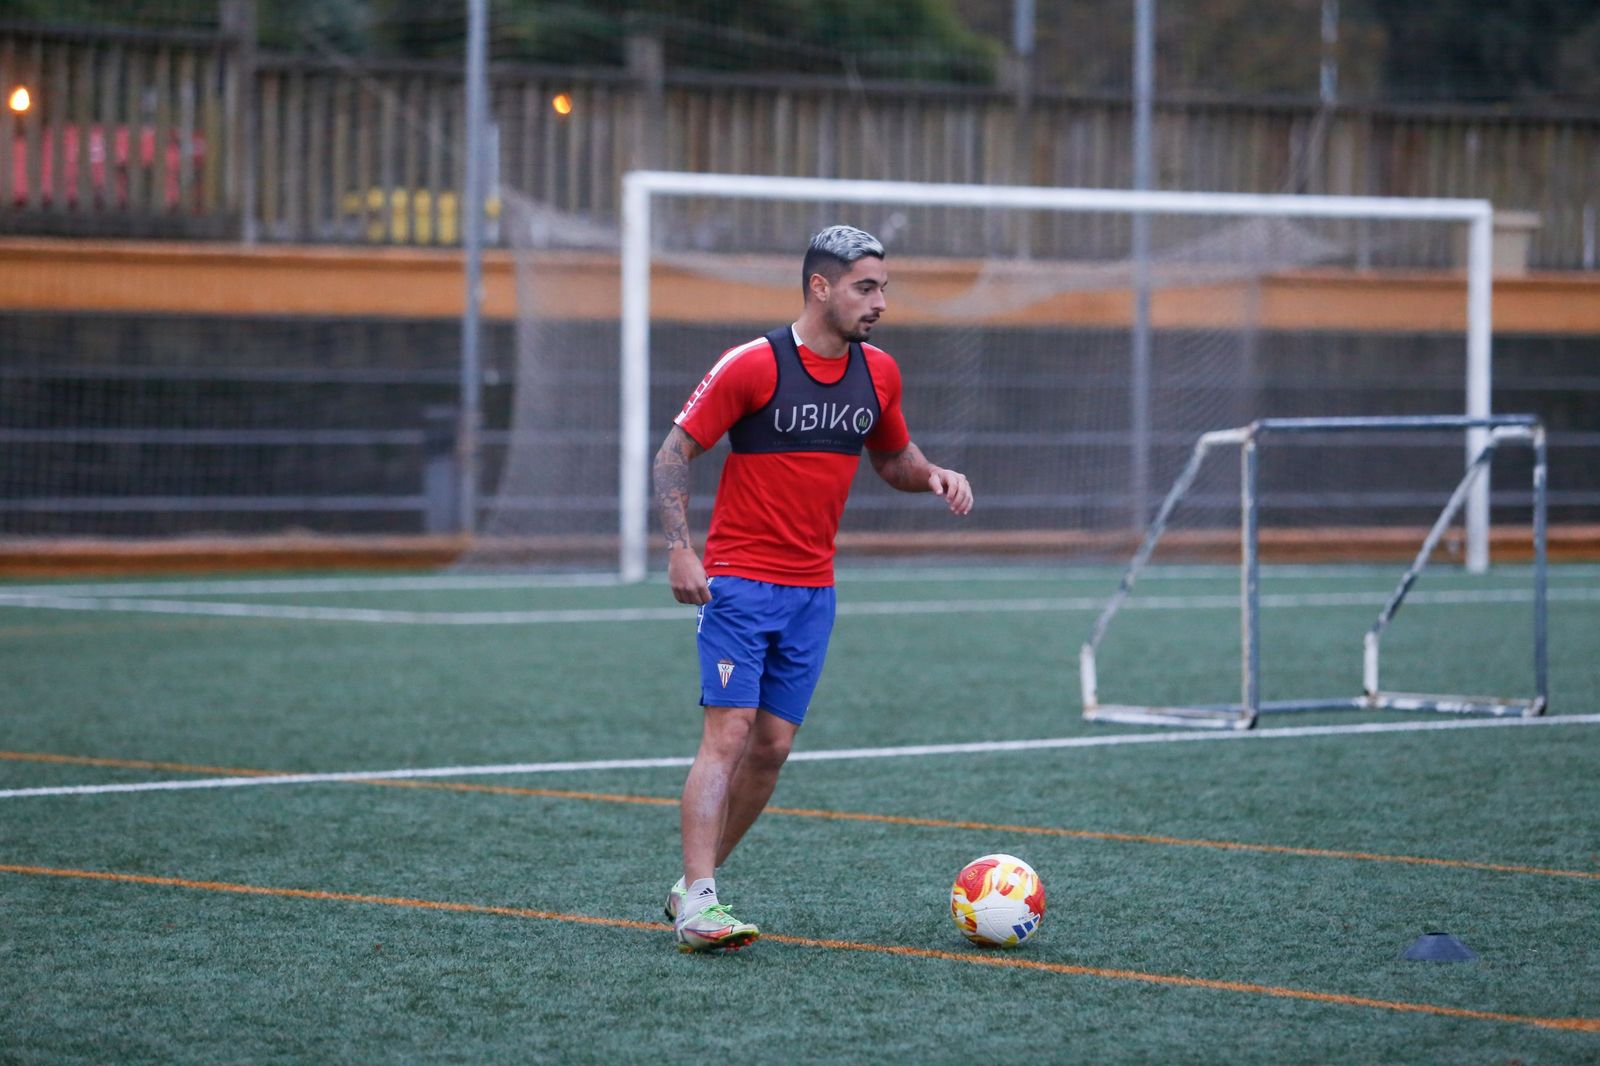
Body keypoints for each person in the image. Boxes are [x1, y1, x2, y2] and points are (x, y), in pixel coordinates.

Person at [651, 224, 975, 953]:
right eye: (866, 287)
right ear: (820, 287)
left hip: (813, 592)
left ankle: (691, 887)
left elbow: (891, 457)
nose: (880, 302)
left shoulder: (879, 372)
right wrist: (679, 549)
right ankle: (701, 904)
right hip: (738, 584)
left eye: (884, 288)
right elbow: (673, 453)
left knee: (772, 748)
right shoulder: (753, 365)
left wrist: (931, 474)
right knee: (730, 733)